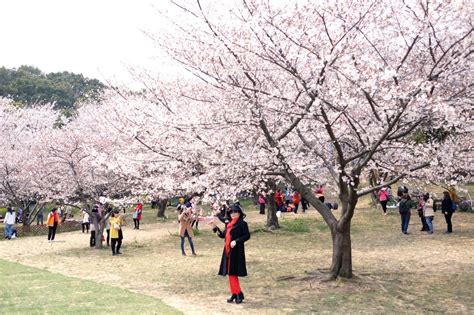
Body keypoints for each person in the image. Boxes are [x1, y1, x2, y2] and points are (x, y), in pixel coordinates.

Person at [209, 203, 250, 304]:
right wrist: (214, 227)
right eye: (231, 212)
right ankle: (235, 293)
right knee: (229, 273)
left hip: (236, 252)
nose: (233, 214)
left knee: (233, 273)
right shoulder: (229, 224)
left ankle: (238, 294)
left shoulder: (242, 224)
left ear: (239, 212)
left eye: (235, 211)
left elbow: (247, 236)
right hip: (228, 251)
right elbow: (223, 235)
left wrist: (236, 241)